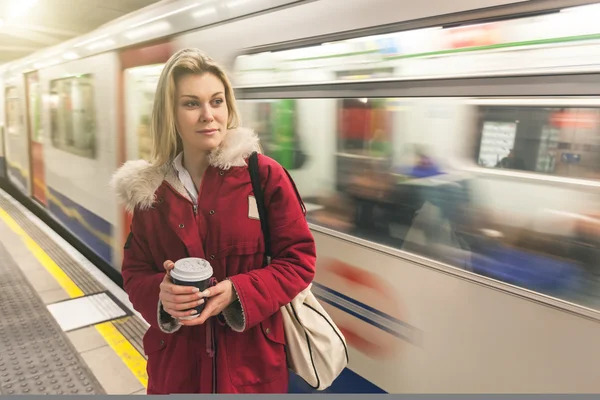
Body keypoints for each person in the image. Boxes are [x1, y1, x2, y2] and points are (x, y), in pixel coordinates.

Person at [110, 48, 316, 394]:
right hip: (177, 371)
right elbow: (135, 272)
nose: (208, 115)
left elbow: (299, 260)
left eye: (216, 101)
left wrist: (239, 292)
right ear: (170, 114)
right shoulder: (151, 193)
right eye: (191, 104)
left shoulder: (263, 177)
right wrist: (161, 297)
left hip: (251, 370)